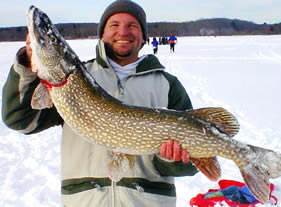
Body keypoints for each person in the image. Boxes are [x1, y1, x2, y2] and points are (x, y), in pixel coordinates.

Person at [2, 0, 198, 206]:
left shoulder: (167, 85)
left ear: (143, 37)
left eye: (132, 26)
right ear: (102, 35)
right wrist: (26, 65)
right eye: (114, 25)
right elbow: (20, 120)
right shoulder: (71, 82)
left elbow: (194, 163)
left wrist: (172, 158)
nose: (123, 32)